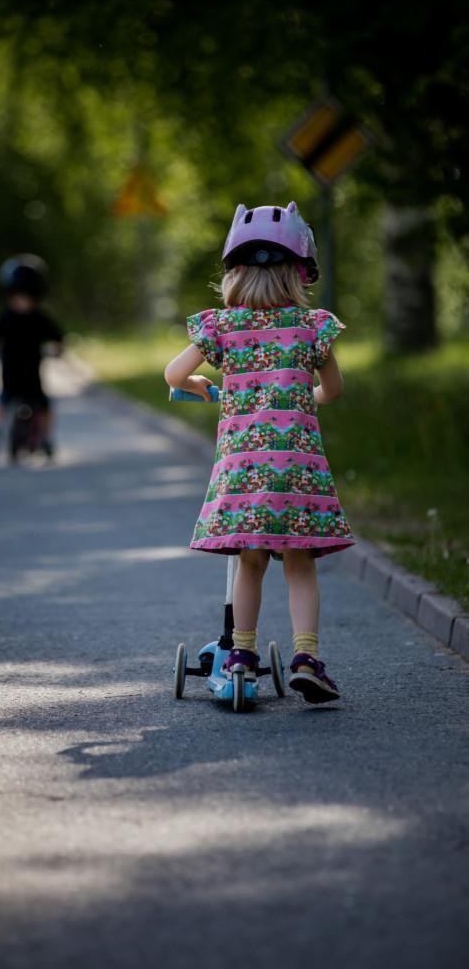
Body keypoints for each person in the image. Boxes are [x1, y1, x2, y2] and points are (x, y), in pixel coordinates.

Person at [164, 202, 354, 704]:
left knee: (250, 562)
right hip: (298, 473)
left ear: (234, 272)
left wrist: (206, 387)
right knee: (300, 564)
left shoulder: (222, 327)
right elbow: (332, 391)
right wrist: (300, 398)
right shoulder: (313, 325)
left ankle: (242, 655)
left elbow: (172, 376)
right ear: (300, 272)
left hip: (243, 472)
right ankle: (307, 658)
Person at [0, 254, 64, 460]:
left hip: (26, 376)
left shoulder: (18, 317)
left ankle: (44, 436)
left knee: (39, 405)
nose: (22, 301)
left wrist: (58, 348)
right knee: (5, 402)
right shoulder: (31, 317)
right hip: (15, 375)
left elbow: (58, 338)